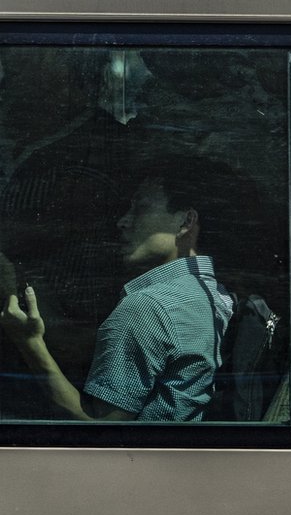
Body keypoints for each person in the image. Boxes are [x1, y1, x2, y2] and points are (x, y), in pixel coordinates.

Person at [0, 159, 240, 421]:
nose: (123, 221)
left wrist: (29, 343)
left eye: (141, 208)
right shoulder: (215, 294)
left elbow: (99, 432)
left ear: (186, 220)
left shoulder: (148, 307)